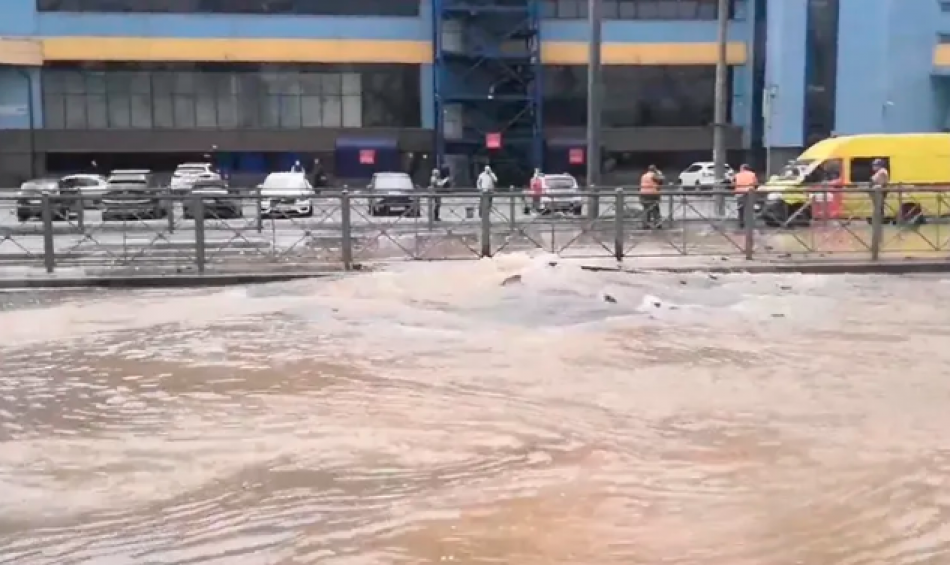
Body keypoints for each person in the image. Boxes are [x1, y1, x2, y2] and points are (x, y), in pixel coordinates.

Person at [733, 164, 758, 228]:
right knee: (750, 209)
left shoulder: (737, 175)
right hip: (750, 193)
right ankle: (750, 223)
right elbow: (756, 184)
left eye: (740, 168)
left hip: (740, 192)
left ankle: (741, 222)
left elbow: (733, 183)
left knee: (740, 209)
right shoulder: (753, 174)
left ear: (742, 168)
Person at [639, 164, 663, 229]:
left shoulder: (643, 175)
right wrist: (659, 174)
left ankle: (645, 224)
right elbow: (661, 181)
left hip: (643, 193)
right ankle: (657, 223)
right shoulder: (654, 175)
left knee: (646, 209)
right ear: (654, 170)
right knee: (655, 208)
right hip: (652, 194)